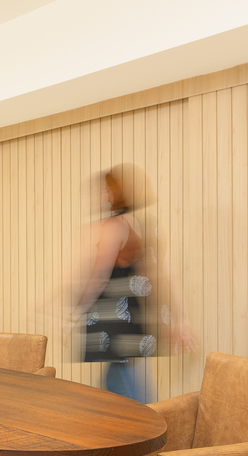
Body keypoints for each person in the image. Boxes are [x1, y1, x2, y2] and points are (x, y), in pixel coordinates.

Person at [73, 163, 196, 402]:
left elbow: (99, 276)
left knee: (133, 401)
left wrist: (74, 312)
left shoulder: (114, 226)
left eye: (106, 190)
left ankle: (151, 425)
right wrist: (180, 319)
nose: (103, 195)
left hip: (117, 329)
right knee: (122, 391)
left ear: (116, 192)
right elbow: (167, 274)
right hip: (139, 325)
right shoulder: (152, 226)